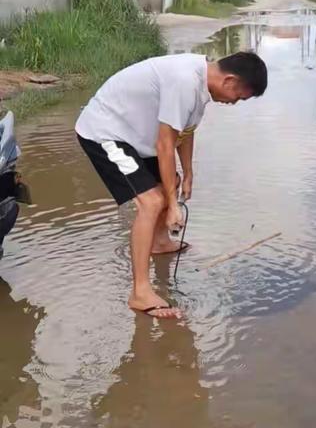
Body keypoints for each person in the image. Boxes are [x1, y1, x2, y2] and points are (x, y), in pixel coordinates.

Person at [75, 52, 268, 319]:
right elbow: (165, 145)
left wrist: (187, 173)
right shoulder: (185, 82)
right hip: (105, 131)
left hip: (134, 134)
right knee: (153, 201)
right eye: (239, 97)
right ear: (230, 81)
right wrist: (173, 204)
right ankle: (140, 292)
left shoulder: (201, 83)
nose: (234, 103)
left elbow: (184, 132)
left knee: (172, 180)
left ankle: (160, 242)